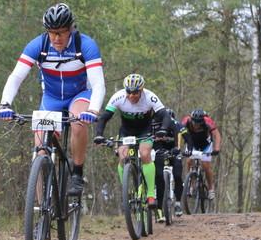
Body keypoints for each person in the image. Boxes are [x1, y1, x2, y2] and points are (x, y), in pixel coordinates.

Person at [0, 3, 106, 196]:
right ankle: (41, 215)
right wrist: (5, 104)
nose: (56, 38)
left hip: (79, 94)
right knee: (40, 151)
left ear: (71, 29)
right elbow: (16, 77)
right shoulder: (39, 45)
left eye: (61, 33)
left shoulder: (85, 45)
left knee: (78, 122)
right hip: (52, 97)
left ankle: (77, 174)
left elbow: (98, 83)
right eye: (52, 33)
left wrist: (93, 110)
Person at [93, 73, 173, 221]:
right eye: (128, 92)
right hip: (126, 132)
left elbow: (166, 116)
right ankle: (127, 191)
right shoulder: (118, 97)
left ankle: (150, 195)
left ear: (141, 90)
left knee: (144, 154)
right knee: (123, 158)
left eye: (135, 92)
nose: (131, 96)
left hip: (145, 132)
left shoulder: (149, 97)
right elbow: (104, 117)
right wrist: (99, 135)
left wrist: (162, 130)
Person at [179, 108, 222, 199]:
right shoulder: (186, 121)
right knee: (189, 161)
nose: (196, 126)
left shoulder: (208, 122)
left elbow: (217, 135)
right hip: (192, 143)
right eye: (194, 123)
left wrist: (216, 149)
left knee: (205, 165)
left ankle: (211, 188)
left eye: (198, 124)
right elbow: (179, 133)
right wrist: (178, 147)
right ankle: (191, 183)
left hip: (205, 144)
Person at [152, 109, 183, 217]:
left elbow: (179, 139)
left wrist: (177, 148)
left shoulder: (175, 125)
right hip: (160, 152)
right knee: (157, 173)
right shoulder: (155, 126)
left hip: (173, 152)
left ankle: (178, 203)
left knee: (178, 175)